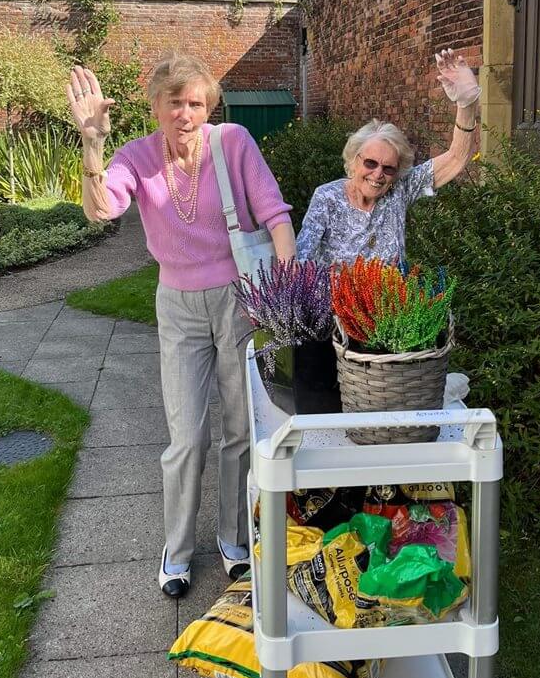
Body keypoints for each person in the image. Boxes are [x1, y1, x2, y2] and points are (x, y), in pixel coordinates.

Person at [66, 53, 296, 599]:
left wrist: (284, 293)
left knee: (241, 428)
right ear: (156, 106)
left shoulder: (233, 142)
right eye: (175, 103)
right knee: (187, 436)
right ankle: (177, 550)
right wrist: (92, 144)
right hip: (177, 306)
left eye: (196, 103)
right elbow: (101, 209)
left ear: (208, 106)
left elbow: (275, 214)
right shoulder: (137, 156)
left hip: (240, 299)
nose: (186, 114)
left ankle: (234, 539)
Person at [293, 48, 480, 410]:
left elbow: (457, 158)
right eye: (370, 163)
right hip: (333, 323)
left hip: (388, 321)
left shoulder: (399, 191)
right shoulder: (327, 197)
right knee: (323, 413)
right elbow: (303, 261)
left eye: (389, 168)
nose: (378, 174)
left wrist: (467, 104)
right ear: (354, 161)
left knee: (385, 413)